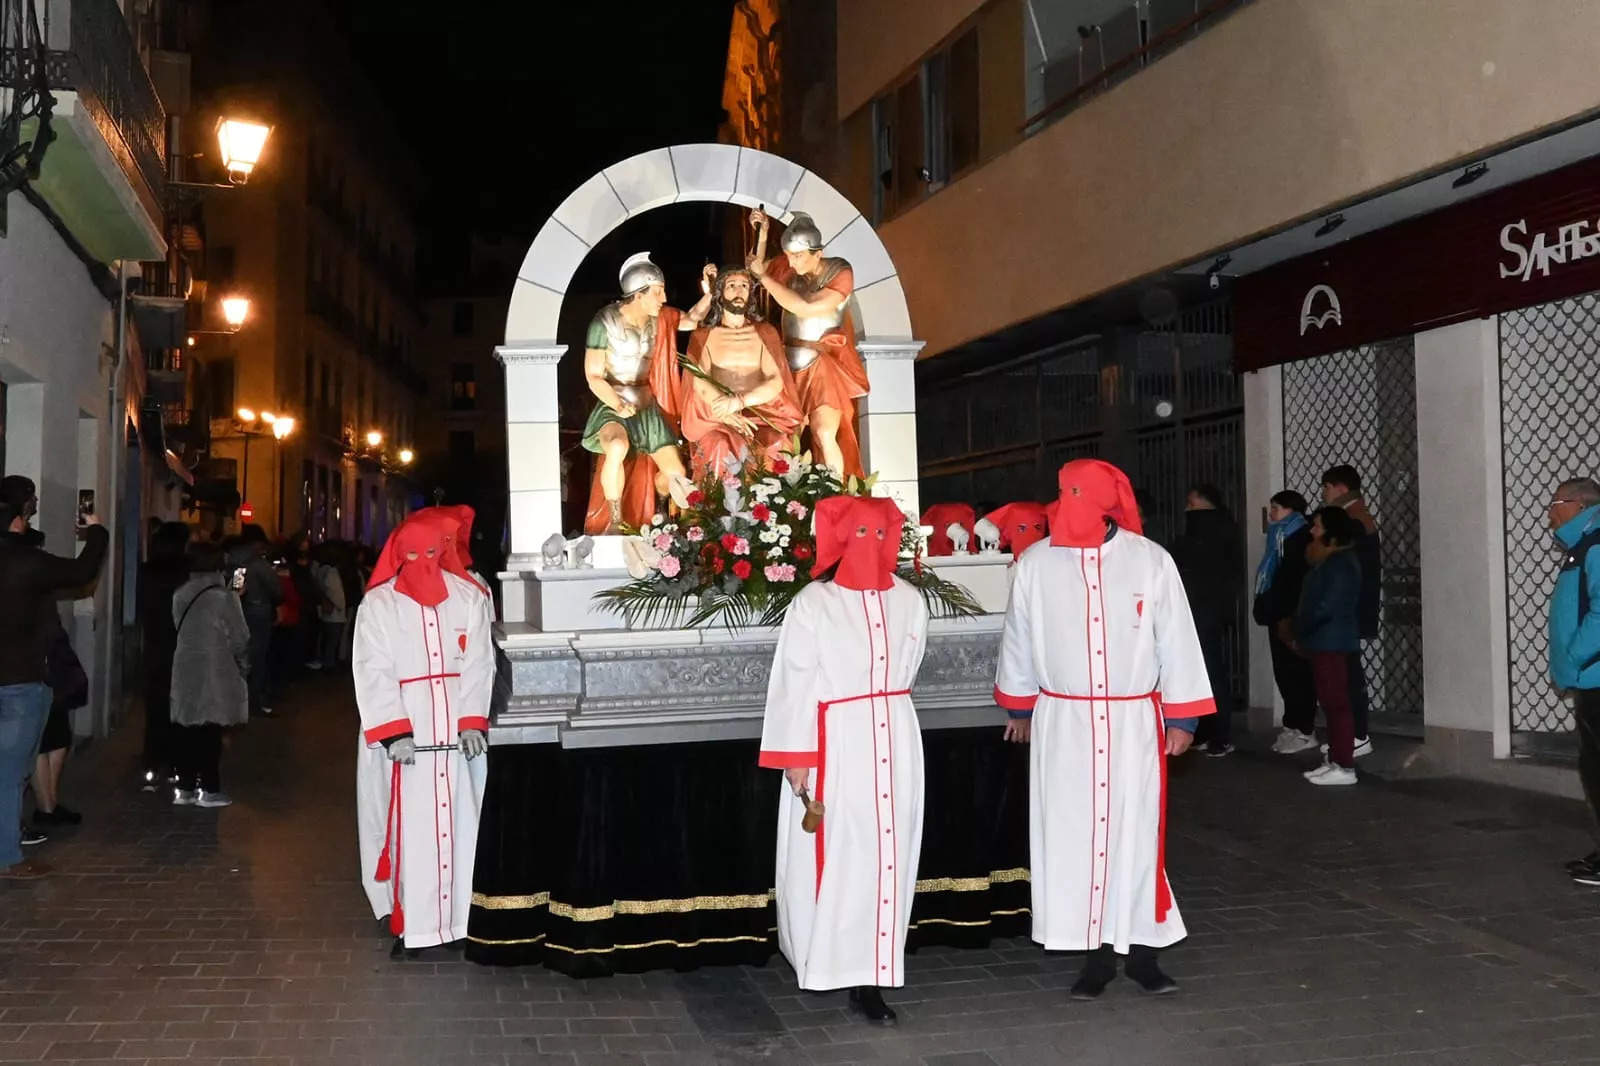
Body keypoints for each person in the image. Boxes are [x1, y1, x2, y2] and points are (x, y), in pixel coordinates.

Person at [994, 459, 1213, 999]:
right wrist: (1019, 707)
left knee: (1134, 833)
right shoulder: (1035, 565)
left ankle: (1141, 952)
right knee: (1073, 836)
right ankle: (1095, 955)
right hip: (1063, 723)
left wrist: (1181, 717)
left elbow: (1177, 639)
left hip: (1132, 720)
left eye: (1079, 495)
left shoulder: (1149, 561)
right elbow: (1018, 637)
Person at [759, 494, 926, 1025]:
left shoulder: (908, 600)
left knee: (889, 858)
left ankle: (873, 975)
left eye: (881, 534)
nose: (872, 546)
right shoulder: (813, 602)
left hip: (895, 739)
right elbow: (794, 681)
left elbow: (911, 664)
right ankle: (830, 958)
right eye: (860, 534)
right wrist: (798, 756)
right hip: (838, 743)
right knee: (845, 854)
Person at [354, 514, 494, 955]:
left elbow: (479, 662)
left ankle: (460, 922)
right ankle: (412, 923)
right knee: (406, 828)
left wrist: (472, 718)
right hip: (406, 736)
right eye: (411, 556)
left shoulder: (469, 597)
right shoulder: (378, 605)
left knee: (462, 824)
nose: (422, 564)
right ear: (397, 555)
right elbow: (371, 669)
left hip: (455, 736)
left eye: (431, 554)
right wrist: (395, 731)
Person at [0, 482, 109, 881]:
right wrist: (97, 531)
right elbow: (81, 571)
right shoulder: (26, 561)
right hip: (19, 680)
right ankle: (7, 857)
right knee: (11, 771)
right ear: (17, 521)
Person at [580, 254, 710, 533]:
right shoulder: (603, 322)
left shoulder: (660, 318)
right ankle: (614, 523)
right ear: (638, 294)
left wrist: (709, 295)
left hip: (647, 405)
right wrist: (616, 403)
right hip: (613, 403)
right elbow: (593, 376)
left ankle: (664, 519)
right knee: (616, 446)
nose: (663, 297)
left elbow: (692, 320)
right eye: (658, 291)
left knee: (677, 474)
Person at [748, 208, 871, 479]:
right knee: (783, 440)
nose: (791, 263)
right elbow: (755, 268)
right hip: (788, 365)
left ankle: (837, 495)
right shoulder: (787, 269)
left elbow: (805, 307)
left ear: (818, 252)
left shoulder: (840, 271)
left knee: (825, 431)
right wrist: (763, 233)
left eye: (798, 256)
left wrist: (765, 277)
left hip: (821, 363)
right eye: (789, 256)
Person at [680, 266, 804, 478]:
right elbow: (699, 381)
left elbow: (775, 381)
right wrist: (726, 411)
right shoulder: (704, 335)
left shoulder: (765, 333)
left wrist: (739, 402)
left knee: (774, 445)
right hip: (718, 418)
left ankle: (771, 510)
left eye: (744, 286)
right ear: (720, 293)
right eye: (732, 286)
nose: (739, 291)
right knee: (718, 446)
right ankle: (715, 510)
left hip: (760, 414)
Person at [1545, 478, 1600, 885]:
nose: (1550, 511)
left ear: (1578, 505)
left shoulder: (1595, 545)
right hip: (1588, 675)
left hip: (1595, 673)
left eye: (1556, 502)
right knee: (1592, 764)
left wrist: (1577, 654)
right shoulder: (1583, 546)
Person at [169, 540, 250, 807]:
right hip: (215, 667)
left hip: (184, 664)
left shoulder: (180, 593)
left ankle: (185, 786)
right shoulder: (224, 597)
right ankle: (210, 789)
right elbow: (240, 637)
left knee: (187, 726)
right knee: (210, 728)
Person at [1291, 507, 1365, 787]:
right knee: (1332, 703)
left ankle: (1344, 765)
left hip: (1330, 640)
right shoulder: (1334, 561)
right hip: (1325, 639)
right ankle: (1336, 759)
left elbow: (1326, 605)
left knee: (1337, 704)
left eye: (1318, 527)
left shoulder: (1340, 563)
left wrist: (1301, 628)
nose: (1313, 531)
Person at [1169, 483, 1241, 757]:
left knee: (1208, 673)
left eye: (1191, 502)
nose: (1187, 508)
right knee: (1207, 672)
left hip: (1200, 611)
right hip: (1206, 611)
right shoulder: (1222, 530)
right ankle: (1210, 733)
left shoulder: (1202, 533)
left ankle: (1214, 733)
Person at [1254, 492, 1319, 755]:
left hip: (1291, 615)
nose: (1271, 513)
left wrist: (1285, 613)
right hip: (1278, 613)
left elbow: (1292, 580)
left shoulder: (1298, 538)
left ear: (1292, 511)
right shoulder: (1279, 537)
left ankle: (1304, 728)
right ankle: (1293, 725)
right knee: (1285, 672)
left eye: (1276, 508)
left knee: (1297, 672)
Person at [1321, 465, 1379, 757]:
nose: (1324, 494)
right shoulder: (1355, 516)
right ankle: (1350, 735)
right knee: (1342, 675)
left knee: (1349, 676)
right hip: (1350, 608)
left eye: (1327, 488)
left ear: (1341, 489)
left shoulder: (1354, 519)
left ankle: (1358, 735)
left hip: (1349, 609)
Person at [139, 522, 192, 791]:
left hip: (155, 648)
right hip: (183, 648)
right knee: (180, 710)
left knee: (156, 709)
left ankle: (151, 764)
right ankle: (175, 766)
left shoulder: (146, 572)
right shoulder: (188, 574)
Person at [29, 609, 89, 836]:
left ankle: (49, 802)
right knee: (41, 741)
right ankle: (46, 807)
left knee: (59, 738)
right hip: (30, 668)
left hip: (52, 667)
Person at [226, 525, 282, 715]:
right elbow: (276, 588)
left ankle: (237, 699)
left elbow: (235, 588)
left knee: (239, 656)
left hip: (236, 610)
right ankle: (253, 702)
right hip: (258, 611)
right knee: (257, 659)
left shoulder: (233, 559)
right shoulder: (257, 563)